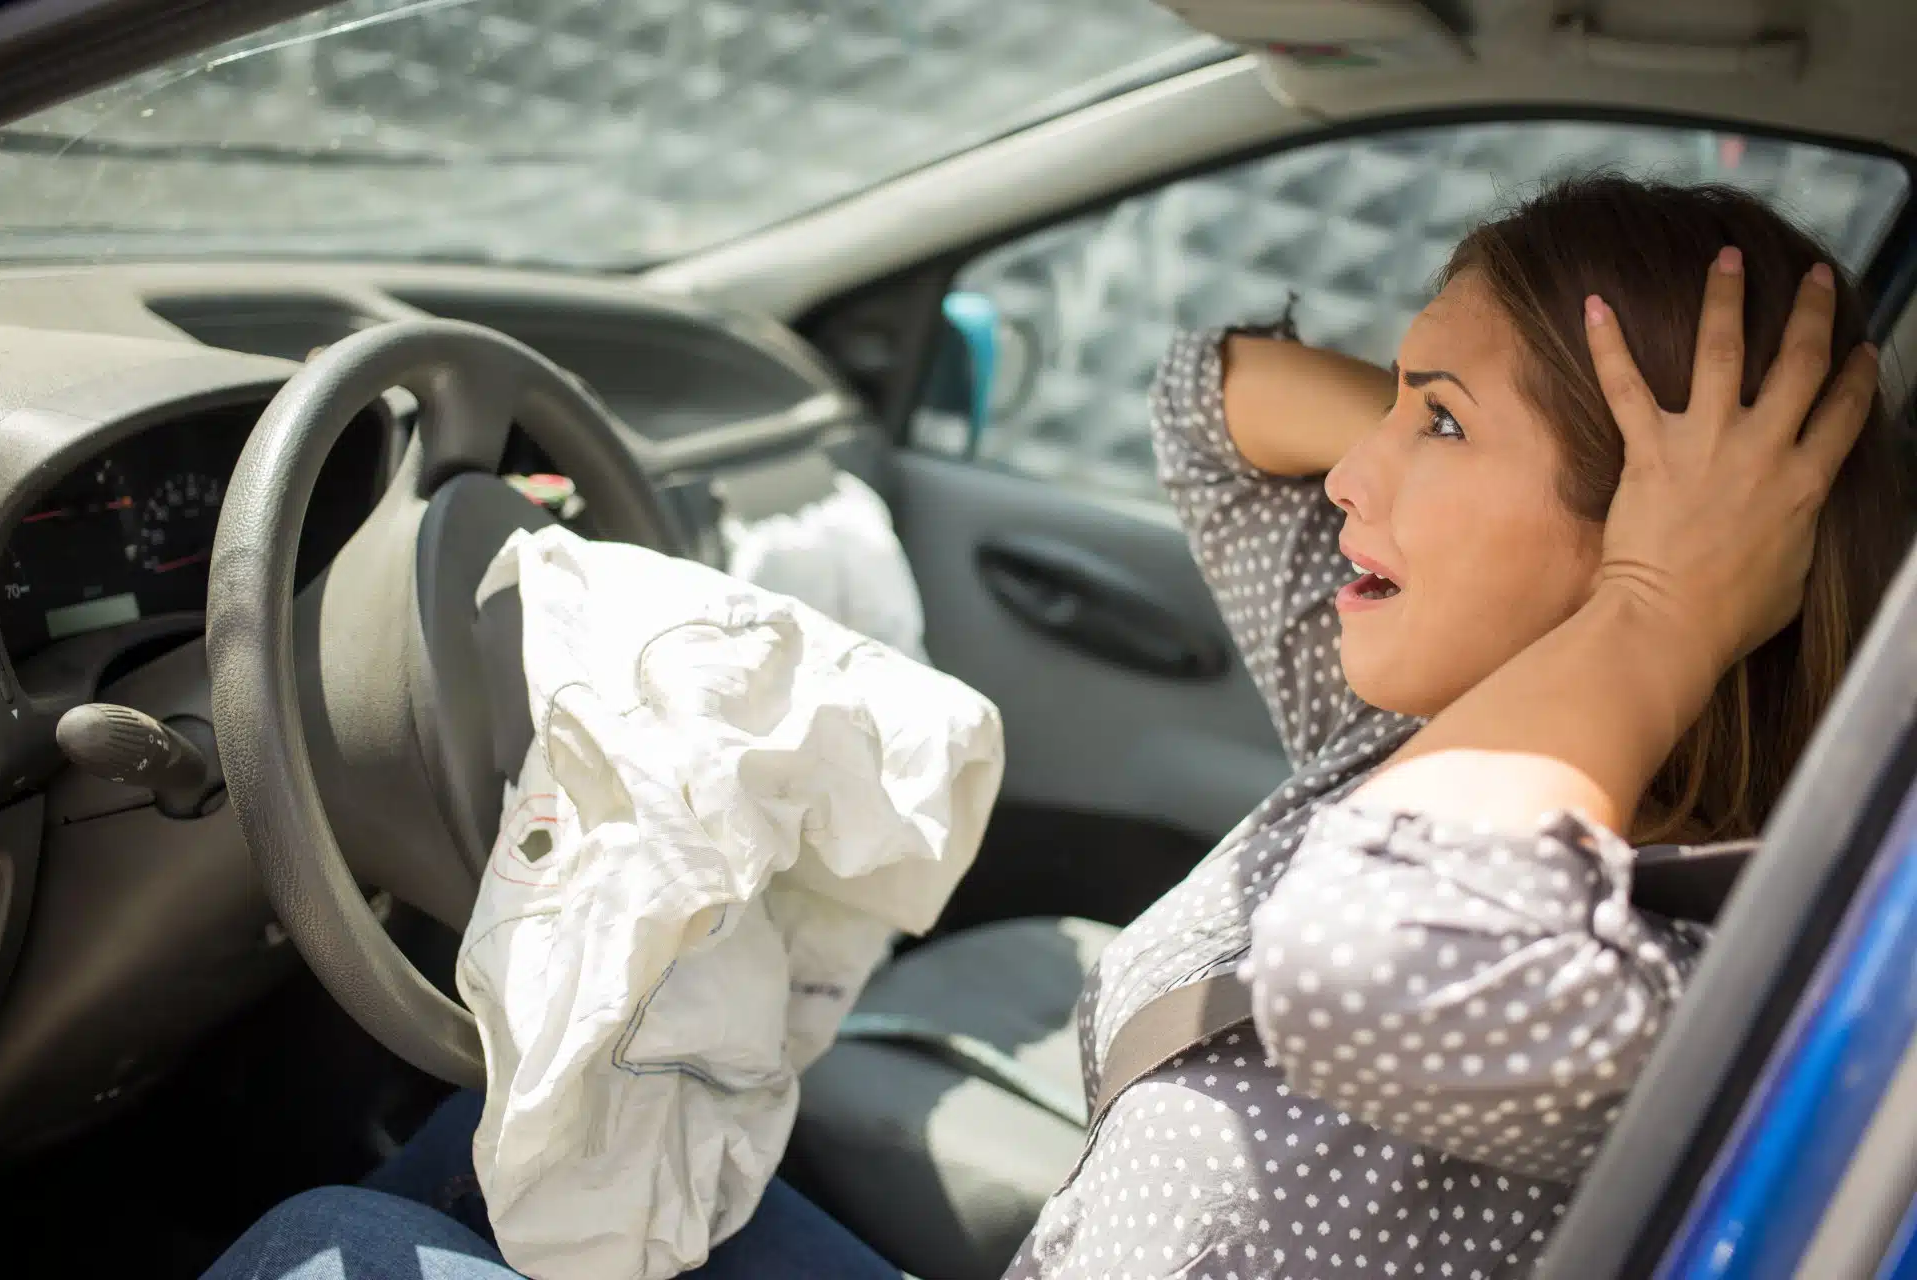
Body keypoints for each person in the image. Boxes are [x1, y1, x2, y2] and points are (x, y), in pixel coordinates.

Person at [203, 173, 1904, 1280]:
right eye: (1394, 402)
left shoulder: (1688, 982)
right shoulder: (1411, 737)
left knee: (322, 1246)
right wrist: (1458, 437)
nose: (1357, 474)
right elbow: (1204, 410)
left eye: (1441, 425)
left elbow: (1367, 959)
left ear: (1653, 535)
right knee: (498, 1138)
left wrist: (1658, 604)